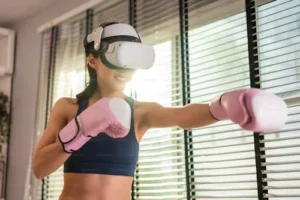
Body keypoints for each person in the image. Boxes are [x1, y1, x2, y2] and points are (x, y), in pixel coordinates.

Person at [32, 22, 288, 200]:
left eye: (132, 63)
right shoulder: (68, 107)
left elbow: (182, 115)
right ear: (92, 60)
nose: (125, 71)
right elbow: (39, 169)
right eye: (118, 60)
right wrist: (80, 131)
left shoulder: (140, 112)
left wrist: (221, 108)